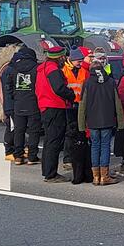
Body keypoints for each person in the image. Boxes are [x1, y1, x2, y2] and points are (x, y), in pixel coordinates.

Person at [78, 54, 124, 185]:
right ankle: (104, 176)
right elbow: (117, 103)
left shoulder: (87, 83)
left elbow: (83, 105)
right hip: (108, 120)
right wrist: (121, 122)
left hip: (92, 121)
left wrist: (81, 125)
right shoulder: (110, 82)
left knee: (94, 146)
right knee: (105, 146)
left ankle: (96, 177)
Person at [36, 46, 76, 182]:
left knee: (49, 141)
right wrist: (71, 95)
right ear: (60, 57)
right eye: (64, 57)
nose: (65, 59)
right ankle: (51, 174)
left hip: (46, 106)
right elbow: (58, 88)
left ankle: (47, 171)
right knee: (54, 141)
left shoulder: (43, 68)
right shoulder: (53, 69)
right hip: (55, 106)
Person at [4, 46, 41, 166]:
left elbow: (8, 86)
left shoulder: (13, 68)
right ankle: (31, 157)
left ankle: (18, 157)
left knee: (19, 131)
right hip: (33, 103)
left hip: (18, 104)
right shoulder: (36, 68)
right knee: (34, 131)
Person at [63, 47, 90, 177]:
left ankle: (79, 157)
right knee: (69, 133)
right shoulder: (64, 70)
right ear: (71, 60)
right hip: (68, 105)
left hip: (80, 105)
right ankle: (68, 159)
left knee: (81, 132)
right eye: (78, 61)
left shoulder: (83, 71)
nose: (80, 63)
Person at [1, 57, 16, 162]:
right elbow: (8, 91)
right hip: (11, 105)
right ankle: (9, 151)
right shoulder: (10, 71)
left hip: (9, 105)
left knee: (13, 127)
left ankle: (11, 149)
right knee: (11, 127)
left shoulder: (7, 71)